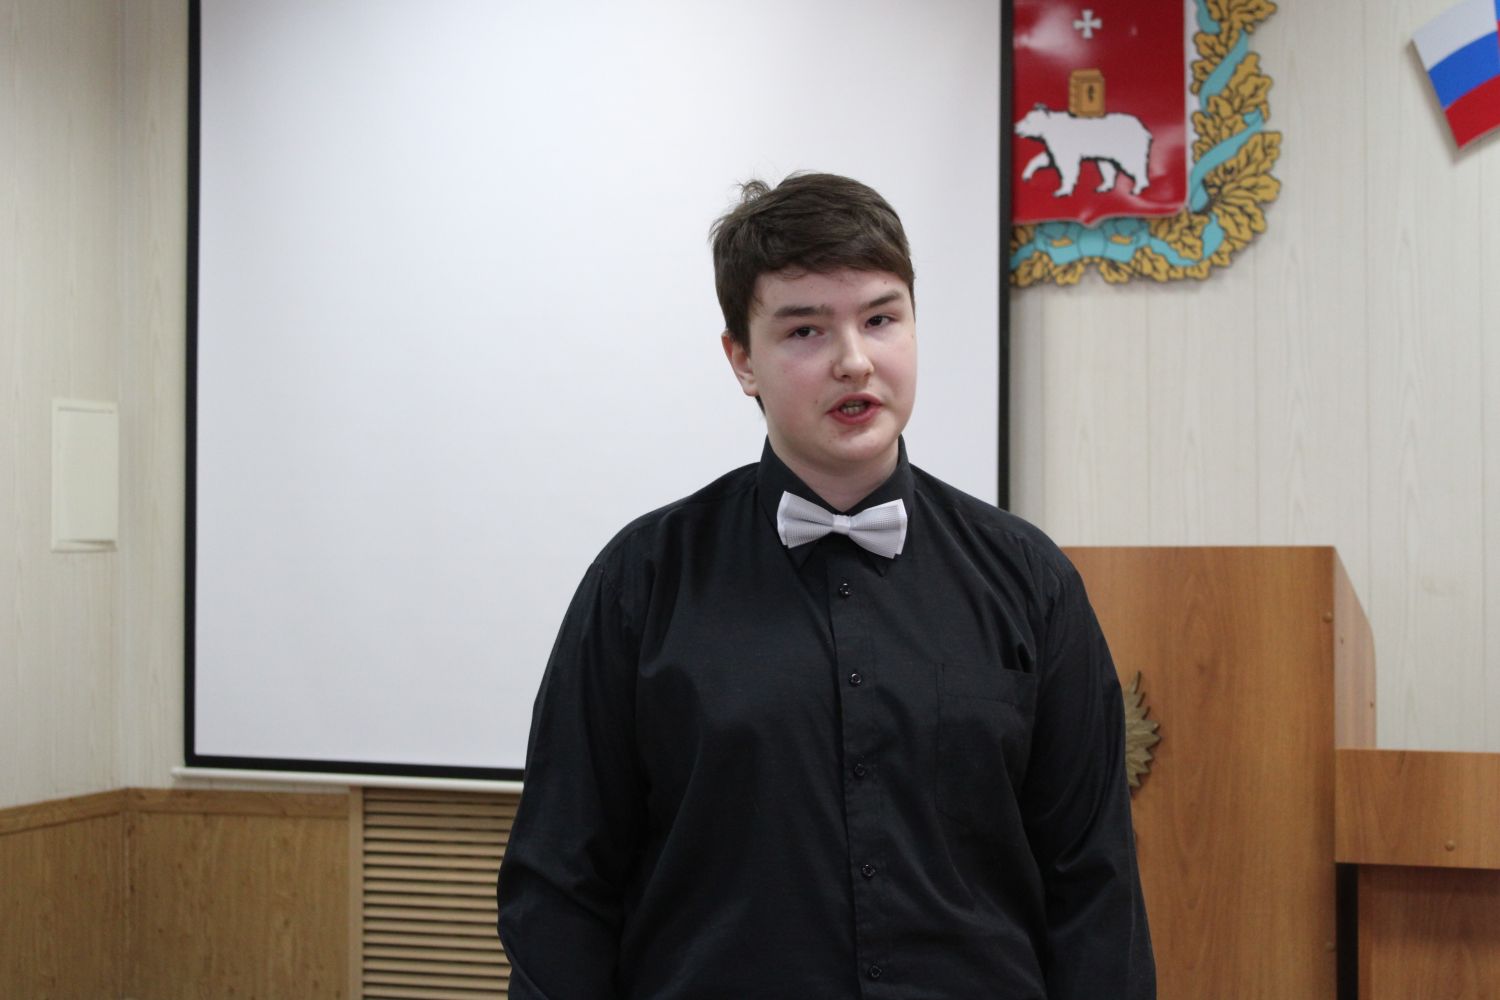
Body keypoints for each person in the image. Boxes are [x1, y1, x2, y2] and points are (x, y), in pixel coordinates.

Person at [496, 172, 1155, 998]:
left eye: (881, 319)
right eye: (806, 330)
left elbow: (1094, 887)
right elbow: (561, 881)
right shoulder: (640, 582)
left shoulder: (1033, 582)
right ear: (742, 360)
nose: (854, 361)